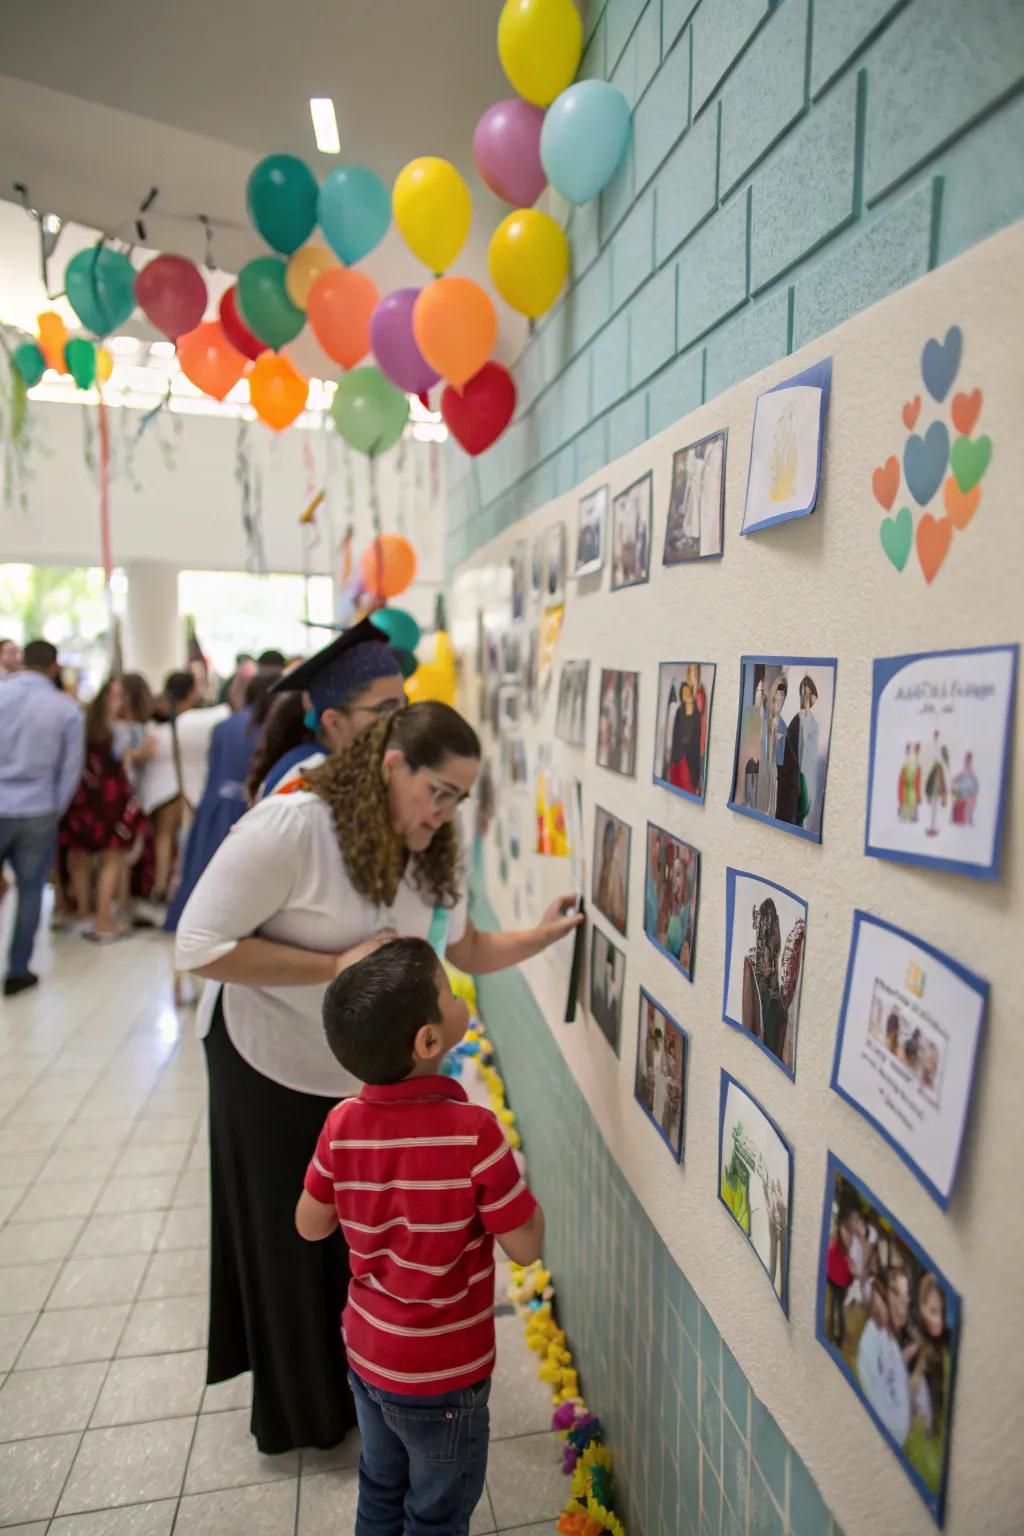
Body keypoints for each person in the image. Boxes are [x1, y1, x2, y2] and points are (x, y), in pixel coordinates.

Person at [174, 693, 580, 1455]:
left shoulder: (432, 846)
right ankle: (304, 1417)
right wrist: (332, 964)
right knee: (294, 1247)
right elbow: (196, 946)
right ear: (393, 765)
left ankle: (368, 1395)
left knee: (355, 1249)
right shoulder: (296, 825)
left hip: (358, 1080)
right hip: (268, 1065)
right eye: (439, 792)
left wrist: (542, 936)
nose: (447, 810)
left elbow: (461, 949)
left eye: (461, 796)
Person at [297, 939, 543, 1534]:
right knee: (435, 1510)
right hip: (445, 1373)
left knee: (381, 1487)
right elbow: (525, 1246)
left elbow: (310, 1224)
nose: (458, 995)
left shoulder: (342, 1124)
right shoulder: (474, 1134)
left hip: (369, 1355)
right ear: (428, 1042)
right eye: (448, 991)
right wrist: (523, 1196)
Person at [164, 666, 281, 931]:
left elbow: (213, 773)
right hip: (254, 811)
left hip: (216, 809)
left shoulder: (225, 727)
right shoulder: (271, 729)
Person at [0, 639, 84, 993]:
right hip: (39, 806)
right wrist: (55, 807)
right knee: (31, 890)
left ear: (21, 663)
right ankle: (18, 970)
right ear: (54, 666)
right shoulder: (65, 710)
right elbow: (70, 769)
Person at [258, 617, 407, 797]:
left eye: (405, 706)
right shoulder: (306, 784)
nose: (402, 721)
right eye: (385, 710)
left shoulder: (355, 771)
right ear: (333, 722)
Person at [61, 677, 147, 943]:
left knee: (80, 856)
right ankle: (103, 919)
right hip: (111, 798)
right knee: (112, 857)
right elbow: (126, 761)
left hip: (83, 796)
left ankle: (84, 913)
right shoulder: (121, 729)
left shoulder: (83, 722)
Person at [857, 1266, 912, 1447]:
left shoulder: (892, 1345)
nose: (901, 1307)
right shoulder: (870, 1340)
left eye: (906, 1300)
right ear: (883, 1293)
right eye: (896, 1294)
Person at [669, 680, 702, 795]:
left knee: (689, 783)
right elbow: (676, 733)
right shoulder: (679, 711)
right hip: (680, 753)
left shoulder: (696, 713)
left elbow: (697, 734)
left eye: (688, 692)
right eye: (684, 693)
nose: (686, 695)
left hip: (692, 754)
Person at [951, 751, 978, 826]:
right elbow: (960, 777)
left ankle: (968, 821)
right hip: (962, 796)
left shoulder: (971, 771)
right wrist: (955, 779)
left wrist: (972, 795)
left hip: (968, 796)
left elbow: (972, 784)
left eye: (968, 759)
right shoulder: (964, 770)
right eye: (966, 759)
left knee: (968, 812)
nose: (966, 761)